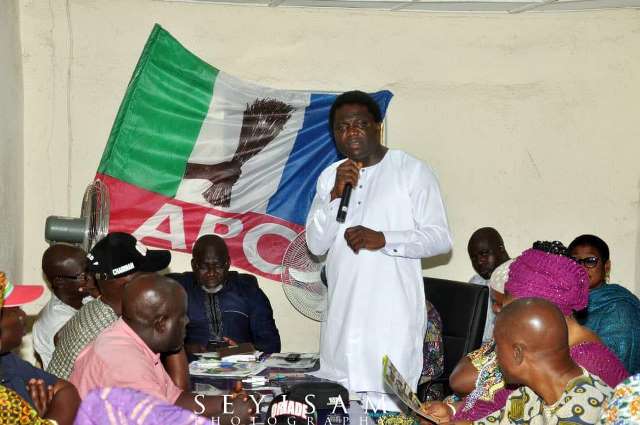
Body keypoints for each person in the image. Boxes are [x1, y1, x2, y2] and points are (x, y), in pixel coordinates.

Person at [305, 90, 452, 410]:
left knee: (388, 412)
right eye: (342, 127)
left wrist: (384, 239)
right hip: (342, 324)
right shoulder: (330, 177)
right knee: (340, 411)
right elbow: (315, 244)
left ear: (377, 127)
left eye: (360, 124)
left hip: (390, 323)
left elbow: (440, 238)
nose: (351, 133)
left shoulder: (410, 170)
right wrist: (334, 196)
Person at [441, 242, 627, 421]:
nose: (502, 307)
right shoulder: (544, 348)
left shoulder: (582, 366)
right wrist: (453, 411)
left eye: (510, 299)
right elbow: (501, 401)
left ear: (539, 308)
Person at [70, 273, 254, 423]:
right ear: (160, 324)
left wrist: (227, 403)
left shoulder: (130, 338)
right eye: (182, 317)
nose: (187, 322)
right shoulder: (125, 364)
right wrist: (226, 419)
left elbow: (174, 400)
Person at [425, 298, 613, 425]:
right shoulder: (532, 392)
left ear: (517, 354)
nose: (494, 356)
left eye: (498, 347)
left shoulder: (583, 412)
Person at [47, 232, 172, 381]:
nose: (156, 279)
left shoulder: (95, 305)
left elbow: (58, 337)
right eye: (149, 274)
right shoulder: (116, 332)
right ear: (128, 284)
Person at [168, 234, 280, 357]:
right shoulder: (177, 293)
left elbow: (271, 344)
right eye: (204, 267)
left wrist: (238, 350)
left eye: (218, 266)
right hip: (191, 366)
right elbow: (160, 343)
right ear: (194, 265)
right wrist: (186, 350)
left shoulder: (248, 292)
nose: (211, 273)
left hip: (241, 364)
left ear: (227, 264)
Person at [0, 272, 80, 425]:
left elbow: (66, 389)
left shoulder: (6, 360)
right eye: (15, 309)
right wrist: (38, 419)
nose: (23, 315)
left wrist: (46, 419)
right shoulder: (5, 404)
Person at [569, 234, 640, 374]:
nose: (581, 268)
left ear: (606, 267)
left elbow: (616, 369)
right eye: (574, 261)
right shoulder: (565, 303)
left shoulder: (620, 309)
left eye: (590, 261)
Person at [33, 244, 95, 369]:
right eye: (84, 275)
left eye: (91, 269)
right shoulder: (58, 321)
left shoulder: (82, 296)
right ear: (60, 282)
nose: (92, 276)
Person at [467, 227, 510, 342]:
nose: (479, 261)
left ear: (501, 249)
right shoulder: (476, 283)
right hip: (478, 349)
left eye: (484, 254)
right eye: (473, 258)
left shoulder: (519, 280)